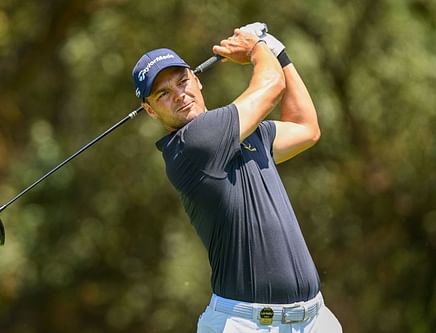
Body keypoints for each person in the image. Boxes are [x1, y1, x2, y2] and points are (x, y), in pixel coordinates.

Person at [132, 22, 342, 333]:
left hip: (313, 319)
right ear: (149, 111)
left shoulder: (243, 132)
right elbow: (272, 86)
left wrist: (279, 54)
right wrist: (258, 48)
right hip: (247, 324)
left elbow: (306, 128)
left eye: (182, 81)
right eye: (163, 93)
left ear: (197, 80)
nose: (180, 95)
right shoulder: (192, 144)